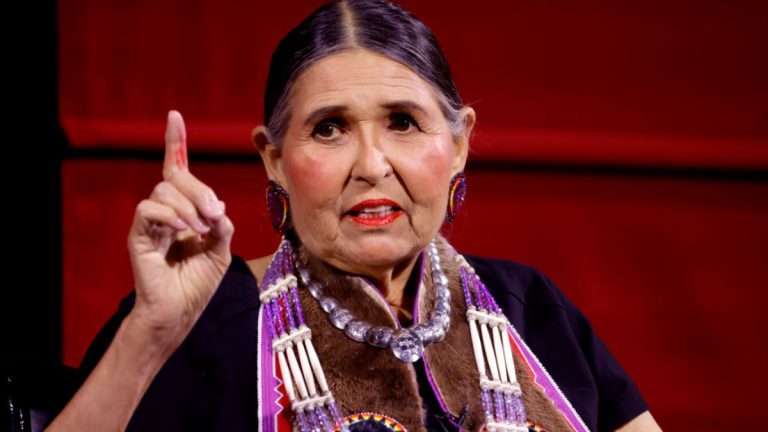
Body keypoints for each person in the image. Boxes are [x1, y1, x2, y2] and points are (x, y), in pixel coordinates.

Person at [49, 0, 662, 431]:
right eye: (329, 128)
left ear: (459, 144)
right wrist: (150, 334)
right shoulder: (195, 323)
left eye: (403, 122)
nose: (371, 164)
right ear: (274, 159)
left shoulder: (530, 309)